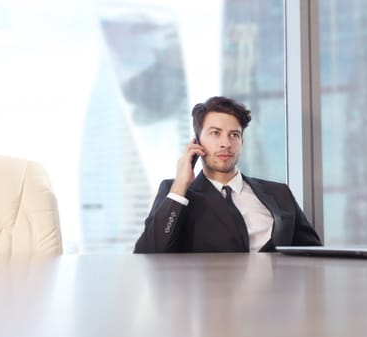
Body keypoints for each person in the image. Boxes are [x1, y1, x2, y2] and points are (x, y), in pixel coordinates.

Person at [133, 96, 321, 253]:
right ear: (197, 142)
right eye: (215, 133)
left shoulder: (279, 193)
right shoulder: (176, 193)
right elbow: (148, 253)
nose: (226, 143)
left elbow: (313, 253)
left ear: (242, 142)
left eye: (234, 135)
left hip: (279, 293)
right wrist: (181, 185)